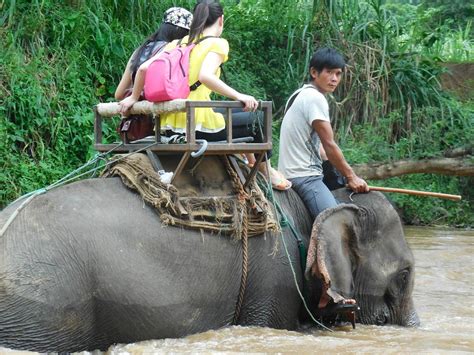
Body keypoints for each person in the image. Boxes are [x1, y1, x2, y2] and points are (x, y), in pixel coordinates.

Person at [119, 0, 291, 191]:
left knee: (230, 114)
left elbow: (143, 68)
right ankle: (266, 170)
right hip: (198, 127)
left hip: (169, 126)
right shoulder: (218, 44)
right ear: (221, 20)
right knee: (257, 118)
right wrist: (239, 95)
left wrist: (133, 98)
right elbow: (205, 76)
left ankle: (252, 161)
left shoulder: (179, 43)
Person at [278, 48, 369, 310]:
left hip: (294, 170)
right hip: (305, 176)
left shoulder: (298, 95)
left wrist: (343, 175)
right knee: (335, 223)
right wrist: (351, 176)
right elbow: (329, 145)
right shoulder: (315, 99)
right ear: (314, 73)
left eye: (339, 74)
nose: (334, 78)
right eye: (329, 72)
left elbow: (318, 148)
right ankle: (330, 294)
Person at [115, 7, 193, 101]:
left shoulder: (140, 50)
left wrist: (135, 95)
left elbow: (119, 94)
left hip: (134, 113)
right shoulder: (172, 50)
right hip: (157, 112)